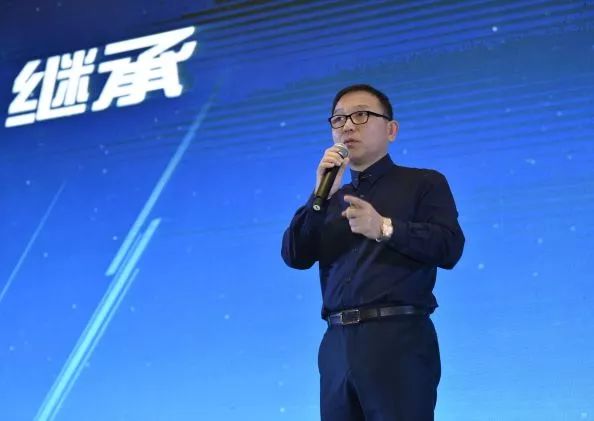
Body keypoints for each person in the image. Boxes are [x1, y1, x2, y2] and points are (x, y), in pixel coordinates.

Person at [281, 84, 465, 420]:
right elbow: (295, 255)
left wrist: (384, 227)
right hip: (336, 344)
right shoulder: (329, 198)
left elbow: (449, 247)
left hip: (398, 338)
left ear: (391, 130)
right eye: (339, 119)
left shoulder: (424, 183)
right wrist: (319, 196)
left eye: (361, 115)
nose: (348, 126)